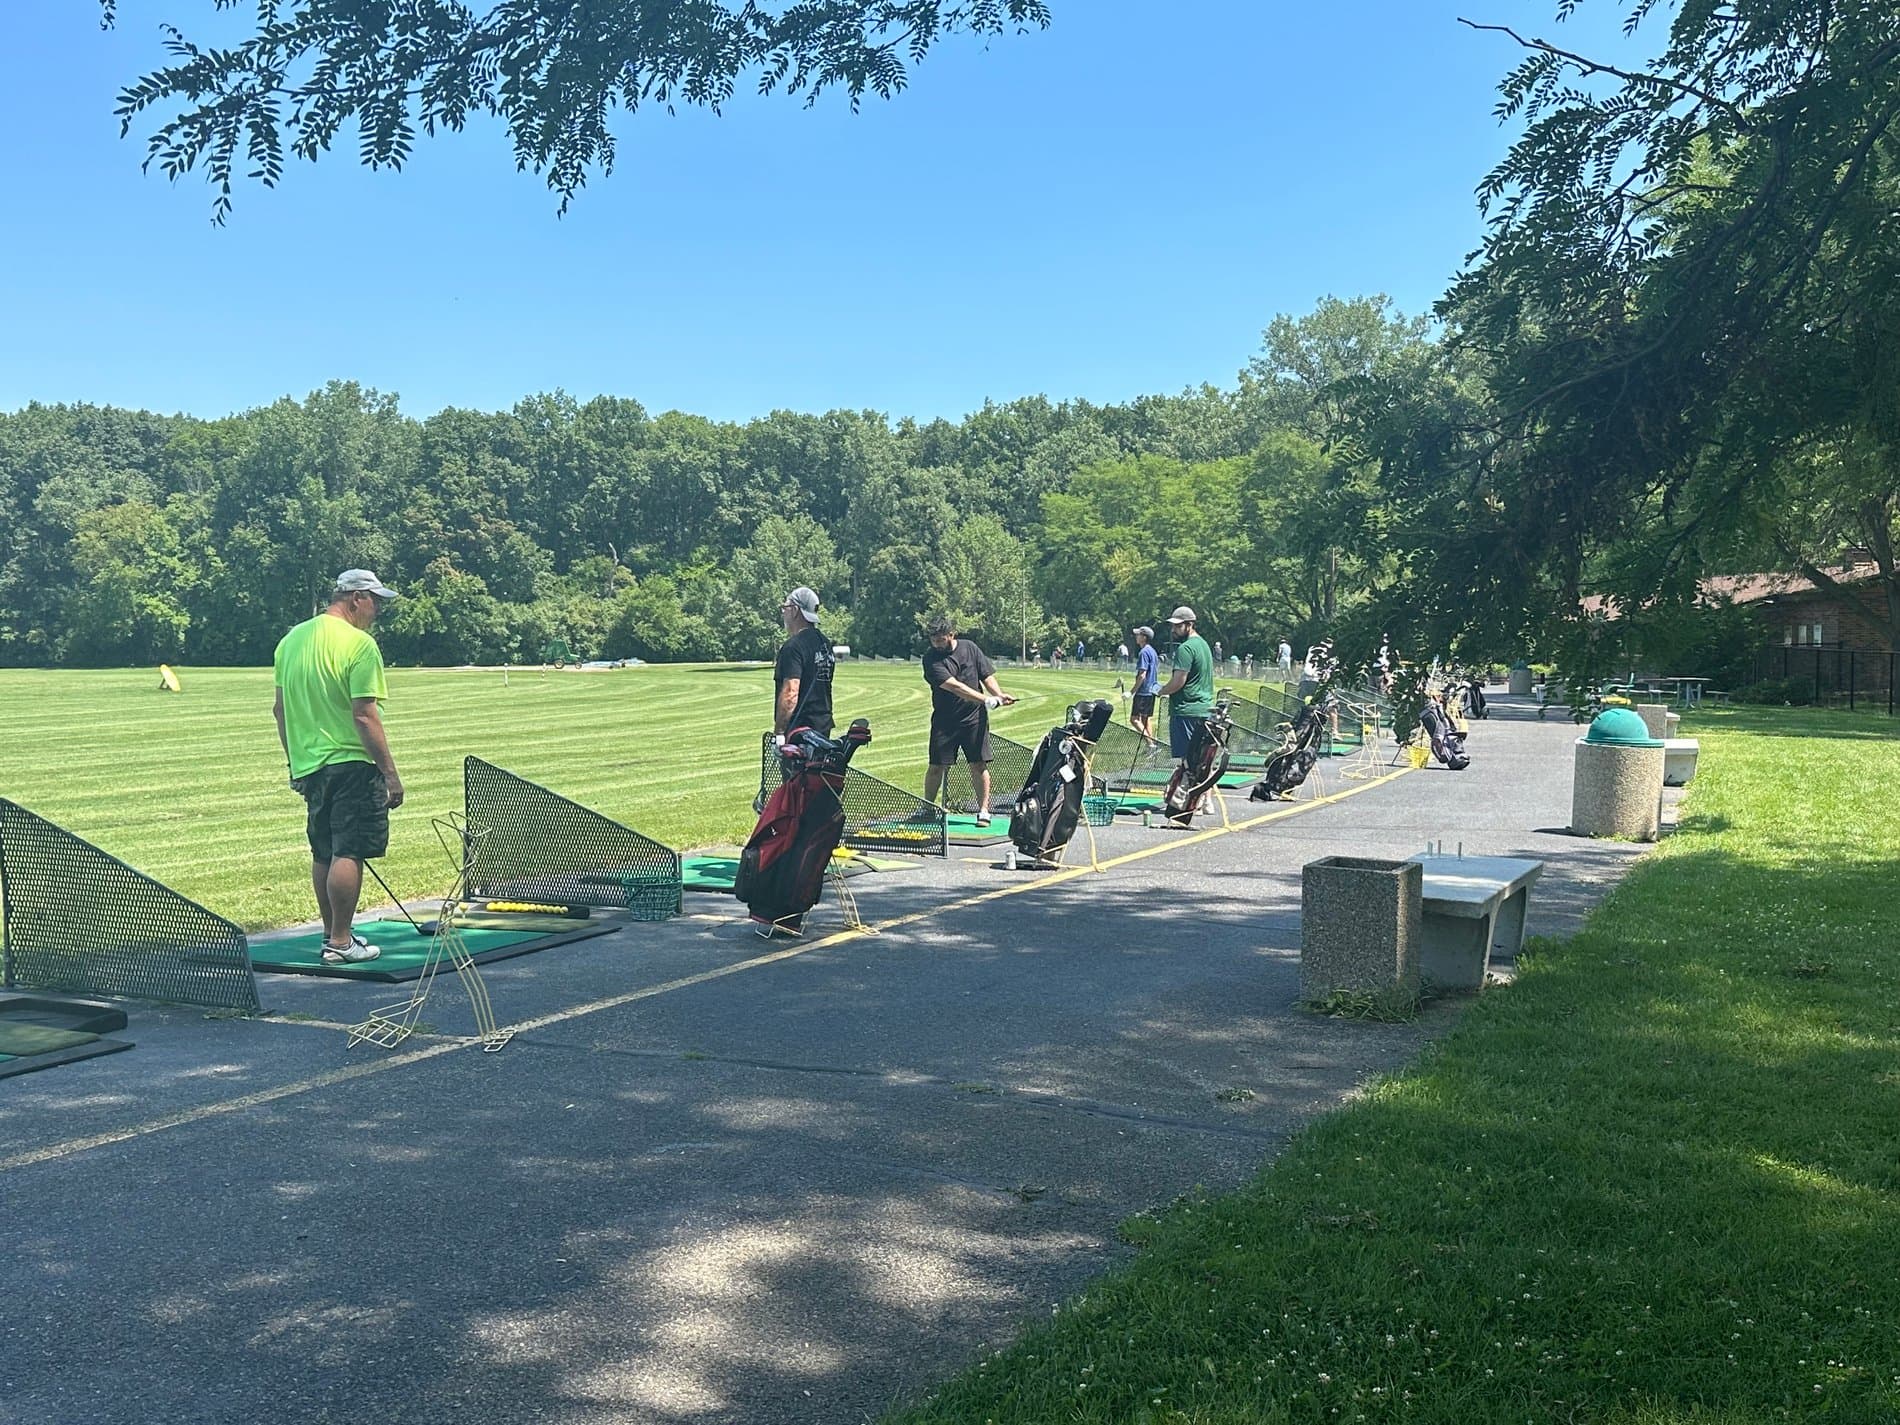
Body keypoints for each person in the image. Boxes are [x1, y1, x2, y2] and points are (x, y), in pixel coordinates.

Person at [273, 570, 405, 964]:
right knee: (350, 849)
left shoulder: (291, 640)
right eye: (375, 601)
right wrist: (390, 774)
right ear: (355, 598)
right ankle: (343, 942)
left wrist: (295, 762)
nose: (377, 610)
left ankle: (333, 936)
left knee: (324, 851)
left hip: (311, 764)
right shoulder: (360, 645)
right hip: (351, 762)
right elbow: (364, 715)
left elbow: (280, 709)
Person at [921, 617, 1016, 826]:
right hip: (945, 721)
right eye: (933, 640)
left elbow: (986, 675)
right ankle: (927, 808)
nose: (936, 644)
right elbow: (954, 686)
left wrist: (999, 695)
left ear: (951, 635)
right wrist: (986, 699)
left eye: (940, 639)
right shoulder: (930, 660)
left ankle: (983, 811)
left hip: (973, 719)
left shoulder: (969, 648)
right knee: (936, 766)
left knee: (978, 764)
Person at [774, 586, 835, 737]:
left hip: (799, 733)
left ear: (795, 610)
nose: (783, 613)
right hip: (822, 730)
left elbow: (790, 693)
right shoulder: (825, 644)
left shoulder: (793, 647)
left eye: (785, 607)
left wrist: (780, 733)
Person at [1155, 607, 1215, 757]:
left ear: (1190, 625)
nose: (1173, 630)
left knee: (1187, 762)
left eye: (1178, 626)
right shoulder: (1204, 645)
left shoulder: (1185, 648)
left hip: (1186, 711)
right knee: (1200, 762)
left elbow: (1178, 682)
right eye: (1173, 626)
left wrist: (1160, 690)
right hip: (1204, 710)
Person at [1130, 625, 1161, 739]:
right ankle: (1152, 747)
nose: (1136, 637)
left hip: (1143, 692)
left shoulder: (1143, 652)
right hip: (1152, 690)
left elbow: (1142, 675)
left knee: (1134, 719)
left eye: (1138, 635)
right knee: (1146, 719)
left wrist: (1132, 691)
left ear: (1144, 637)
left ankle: (1150, 743)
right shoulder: (1153, 652)